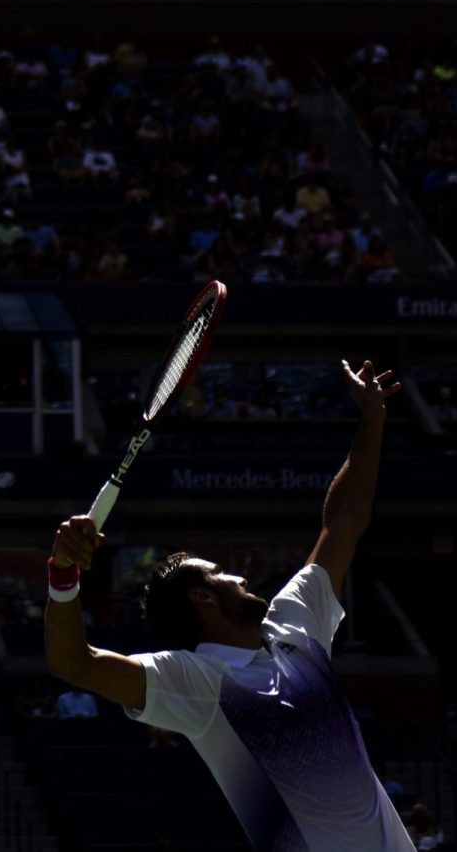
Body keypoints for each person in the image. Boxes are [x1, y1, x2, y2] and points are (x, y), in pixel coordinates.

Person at [44, 360, 414, 849]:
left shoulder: (294, 626)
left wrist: (372, 419)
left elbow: (343, 522)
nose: (239, 576)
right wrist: (63, 575)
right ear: (203, 597)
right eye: (222, 574)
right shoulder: (195, 682)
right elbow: (75, 663)